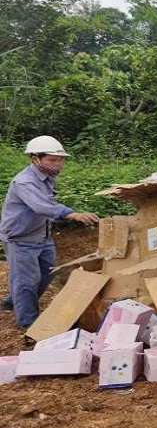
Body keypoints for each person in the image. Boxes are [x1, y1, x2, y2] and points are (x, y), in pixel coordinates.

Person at [0, 136, 100, 328]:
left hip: (41, 234)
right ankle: (29, 322)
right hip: (20, 237)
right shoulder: (24, 182)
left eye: (60, 159)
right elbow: (42, 206)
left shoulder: (47, 177)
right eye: (52, 160)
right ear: (35, 159)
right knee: (27, 281)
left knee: (49, 273)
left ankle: (13, 301)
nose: (58, 164)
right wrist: (73, 214)